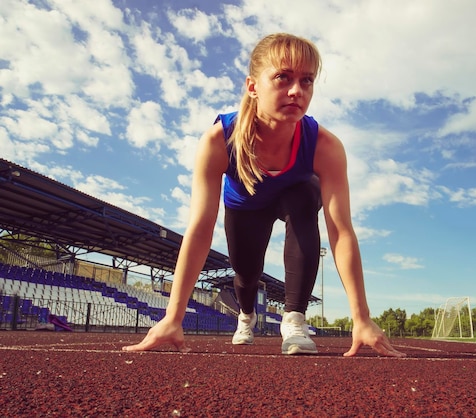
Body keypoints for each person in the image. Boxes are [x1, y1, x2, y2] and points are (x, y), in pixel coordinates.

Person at [122, 33, 405, 358]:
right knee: (246, 272)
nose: (297, 91)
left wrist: (361, 317)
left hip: (293, 196)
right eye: (283, 77)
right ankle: (246, 316)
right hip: (245, 206)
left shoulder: (325, 147)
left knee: (305, 195)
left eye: (306, 81)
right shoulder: (219, 141)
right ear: (253, 86)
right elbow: (200, 229)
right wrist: (173, 317)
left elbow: (341, 232)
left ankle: (295, 320)